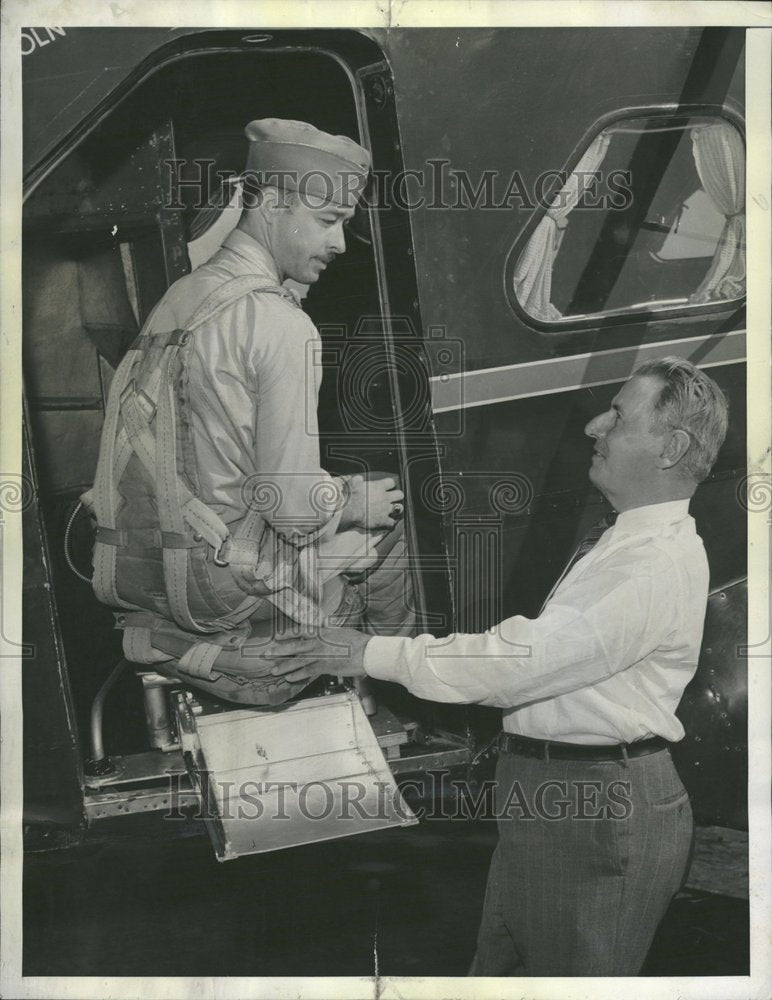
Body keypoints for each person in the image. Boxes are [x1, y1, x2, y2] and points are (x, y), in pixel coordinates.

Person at [269, 356, 729, 976]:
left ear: (670, 448)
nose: (595, 426)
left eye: (619, 415)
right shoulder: (627, 541)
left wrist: (367, 651)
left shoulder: (651, 564)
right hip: (555, 796)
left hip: (596, 809)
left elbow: (521, 660)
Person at [86, 118, 414, 707]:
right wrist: (354, 500)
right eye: (328, 221)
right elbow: (292, 512)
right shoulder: (279, 323)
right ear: (268, 204)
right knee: (401, 535)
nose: (340, 244)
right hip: (222, 588)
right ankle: (382, 697)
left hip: (153, 568)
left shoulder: (186, 295)